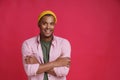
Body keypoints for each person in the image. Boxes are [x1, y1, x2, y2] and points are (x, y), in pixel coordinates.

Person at [21, 10, 71, 80]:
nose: (48, 27)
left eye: (51, 24)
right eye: (44, 23)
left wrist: (38, 64)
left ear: (54, 25)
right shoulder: (27, 44)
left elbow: (64, 71)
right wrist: (56, 63)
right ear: (39, 24)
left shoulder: (64, 43)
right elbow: (29, 71)